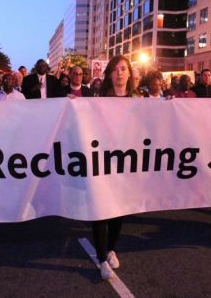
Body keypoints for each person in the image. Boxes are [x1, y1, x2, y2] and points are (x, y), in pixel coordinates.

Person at [94, 55, 135, 280]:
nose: (119, 73)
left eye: (123, 69)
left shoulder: (139, 100)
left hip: (126, 164)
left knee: (119, 209)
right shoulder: (98, 101)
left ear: (129, 74)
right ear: (110, 74)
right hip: (102, 162)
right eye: (115, 69)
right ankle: (101, 258)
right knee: (100, 210)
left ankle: (111, 248)